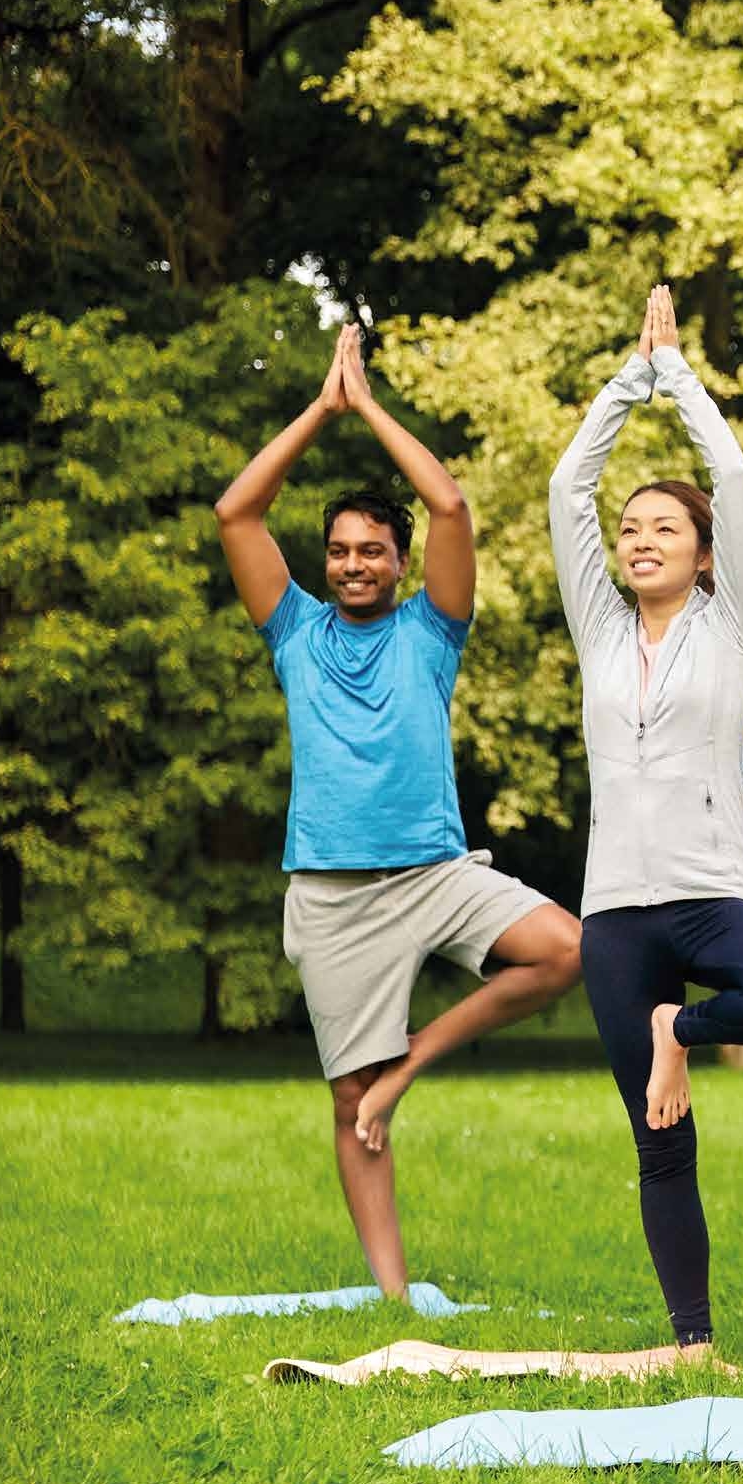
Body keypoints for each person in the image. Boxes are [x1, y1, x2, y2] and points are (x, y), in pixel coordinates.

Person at [214, 323, 583, 1297]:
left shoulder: (433, 629)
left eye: (371, 550)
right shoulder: (294, 632)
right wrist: (319, 408)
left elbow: (450, 502)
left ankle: (410, 1060)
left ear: (399, 560)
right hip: (332, 893)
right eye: (339, 551)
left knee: (564, 948)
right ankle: (390, 1296)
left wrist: (369, 406)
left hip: (434, 872)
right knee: (351, 1102)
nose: (352, 564)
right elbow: (236, 511)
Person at [548, 284, 743, 1354]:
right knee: (659, 1138)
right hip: (616, 915)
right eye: (630, 530)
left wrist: (677, 378)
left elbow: (732, 480)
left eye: (664, 528)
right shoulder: (599, 629)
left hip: (712, 896)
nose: (640, 540)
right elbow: (570, 485)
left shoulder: (732, 624)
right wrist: (629, 380)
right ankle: (691, 1342)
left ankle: (686, 1031)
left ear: (706, 553)